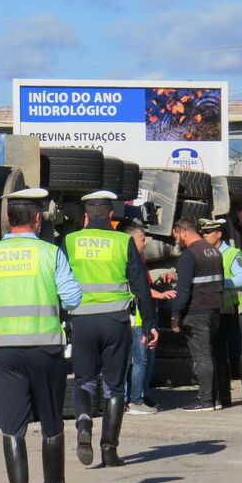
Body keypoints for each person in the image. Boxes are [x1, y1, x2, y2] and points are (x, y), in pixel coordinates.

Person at [0, 188, 82, 483]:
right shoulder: (50, 253)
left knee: (13, 425)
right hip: (45, 348)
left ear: (6, 219)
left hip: (6, 352)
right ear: (36, 219)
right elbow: (72, 299)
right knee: (50, 421)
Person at [64, 192, 157, 468]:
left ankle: (83, 423)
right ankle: (109, 451)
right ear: (111, 215)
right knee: (114, 387)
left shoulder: (70, 241)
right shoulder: (123, 241)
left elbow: (59, 280)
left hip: (81, 321)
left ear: (86, 214)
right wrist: (149, 325)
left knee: (84, 381)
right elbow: (141, 287)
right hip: (115, 322)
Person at [118, 221, 176, 414]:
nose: (146, 244)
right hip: (136, 318)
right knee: (138, 360)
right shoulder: (127, 260)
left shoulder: (140, 260)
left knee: (144, 359)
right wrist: (159, 295)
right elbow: (136, 287)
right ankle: (134, 400)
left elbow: (144, 284)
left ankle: (139, 395)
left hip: (145, 315)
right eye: (143, 239)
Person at [199, 218, 242, 408]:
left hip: (232, 310)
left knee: (240, 352)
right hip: (214, 311)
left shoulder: (232, 254)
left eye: (208, 232)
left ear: (219, 234)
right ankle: (224, 396)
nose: (204, 235)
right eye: (203, 233)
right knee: (218, 354)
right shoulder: (206, 254)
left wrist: (219, 284)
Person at [170, 218, 223, 412]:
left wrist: (176, 314)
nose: (176, 241)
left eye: (176, 236)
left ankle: (205, 400)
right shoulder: (214, 251)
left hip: (196, 311)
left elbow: (183, 290)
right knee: (209, 355)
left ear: (183, 232)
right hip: (214, 309)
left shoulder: (188, 255)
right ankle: (215, 398)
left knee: (201, 357)